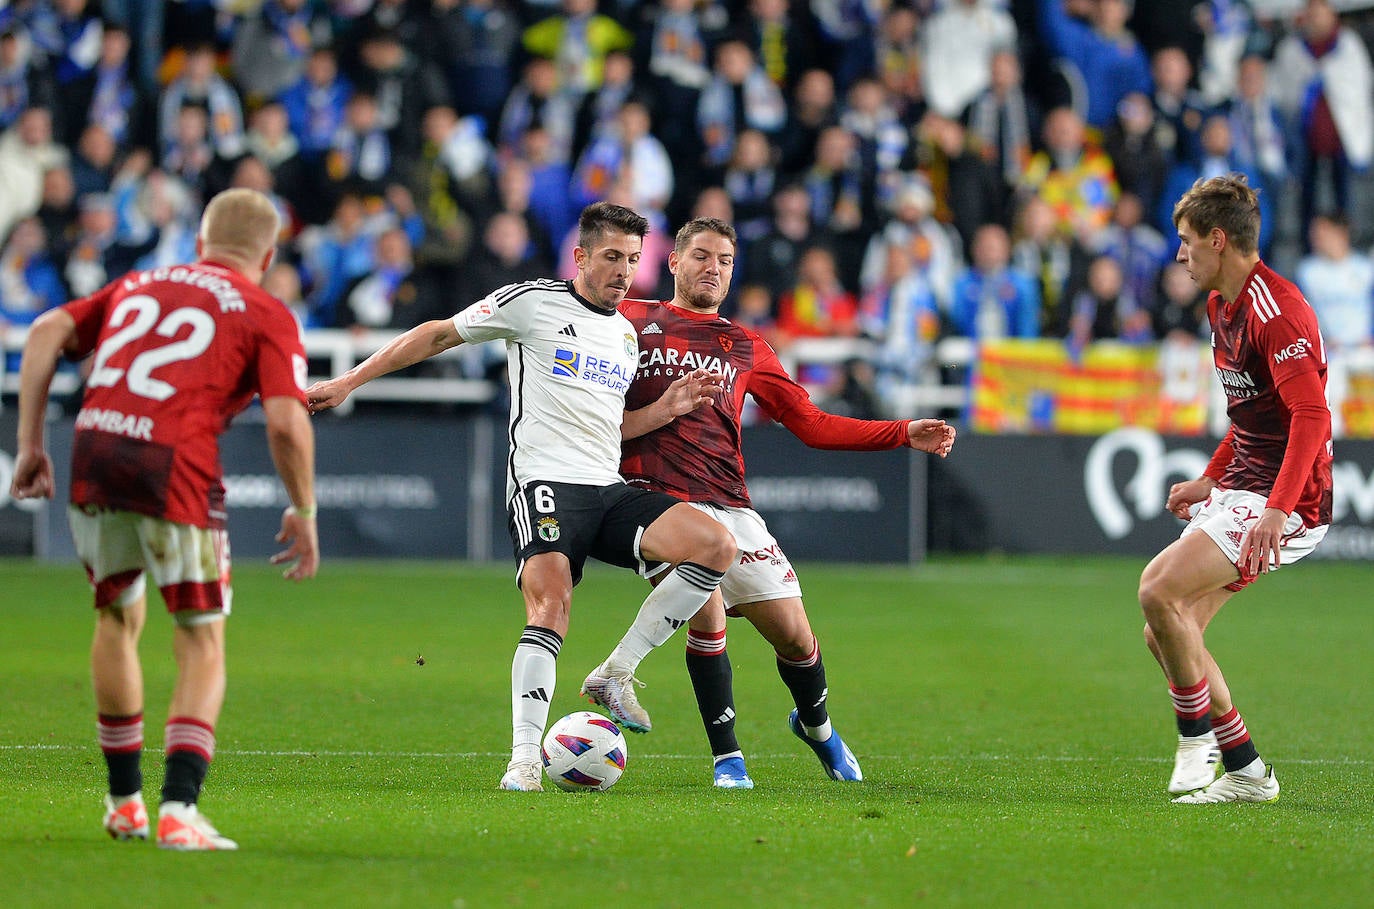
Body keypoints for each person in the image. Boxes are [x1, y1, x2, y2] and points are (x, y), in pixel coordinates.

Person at [305, 202, 737, 792]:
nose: (623, 272)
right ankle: (525, 760)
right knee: (551, 607)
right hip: (545, 482)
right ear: (581, 256)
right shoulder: (531, 301)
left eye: (634, 260)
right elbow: (437, 334)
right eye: (611, 257)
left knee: (715, 544)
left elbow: (611, 427)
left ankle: (617, 671)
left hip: (606, 486)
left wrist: (665, 409)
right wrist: (349, 381)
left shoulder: (624, 336)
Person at [8, 188, 320, 849]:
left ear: (202, 243)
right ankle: (179, 808)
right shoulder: (266, 309)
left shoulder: (141, 280)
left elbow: (43, 332)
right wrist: (304, 506)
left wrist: (32, 444)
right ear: (265, 256)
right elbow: (289, 422)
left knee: (117, 615)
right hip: (172, 464)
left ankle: (124, 802)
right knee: (200, 639)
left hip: (94, 448)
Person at [619, 217, 956, 787]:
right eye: (701, 256)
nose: (713, 268)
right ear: (673, 262)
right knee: (706, 614)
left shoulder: (745, 346)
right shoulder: (629, 321)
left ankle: (819, 729)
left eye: (725, 260)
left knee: (796, 638)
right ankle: (728, 758)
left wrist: (901, 432)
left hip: (730, 504)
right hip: (656, 501)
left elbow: (812, 424)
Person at [1141, 174, 1332, 804]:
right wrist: (1209, 479)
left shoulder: (1278, 312)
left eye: (1187, 241)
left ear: (1218, 241)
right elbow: (1248, 416)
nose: (1180, 254)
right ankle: (1247, 770)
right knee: (1167, 630)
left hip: (1289, 498)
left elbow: (1313, 417)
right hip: (1247, 486)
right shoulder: (1221, 306)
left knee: (1158, 590)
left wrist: (1276, 512)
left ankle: (1196, 740)